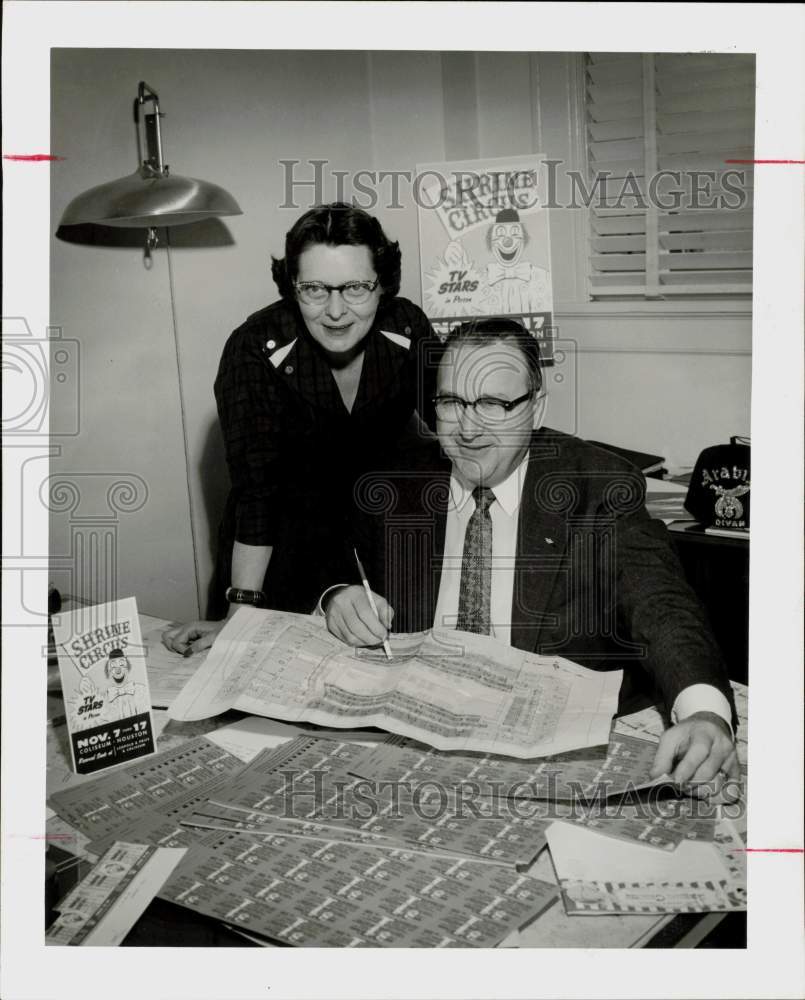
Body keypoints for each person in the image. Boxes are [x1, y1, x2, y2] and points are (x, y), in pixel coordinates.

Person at [323, 317, 739, 791]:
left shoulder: (597, 486)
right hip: (414, 735)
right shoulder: (398, 483)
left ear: (535, 408)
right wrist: (339, 595)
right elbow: (336, 562)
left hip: (548, 755)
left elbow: (660, 603)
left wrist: (705, 711)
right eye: (451, 402)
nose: (469, 427)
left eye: (495, 403)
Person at [163, 203, 437, 656]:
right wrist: (240, 614)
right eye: (314, 289)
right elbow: (258, 493)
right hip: (281, 546)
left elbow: (455, 426)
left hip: (375, 536)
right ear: (292, 287)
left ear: (382, 283)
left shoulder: (407, 328)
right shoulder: (255, 347)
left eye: (355, 288)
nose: (335, 311)